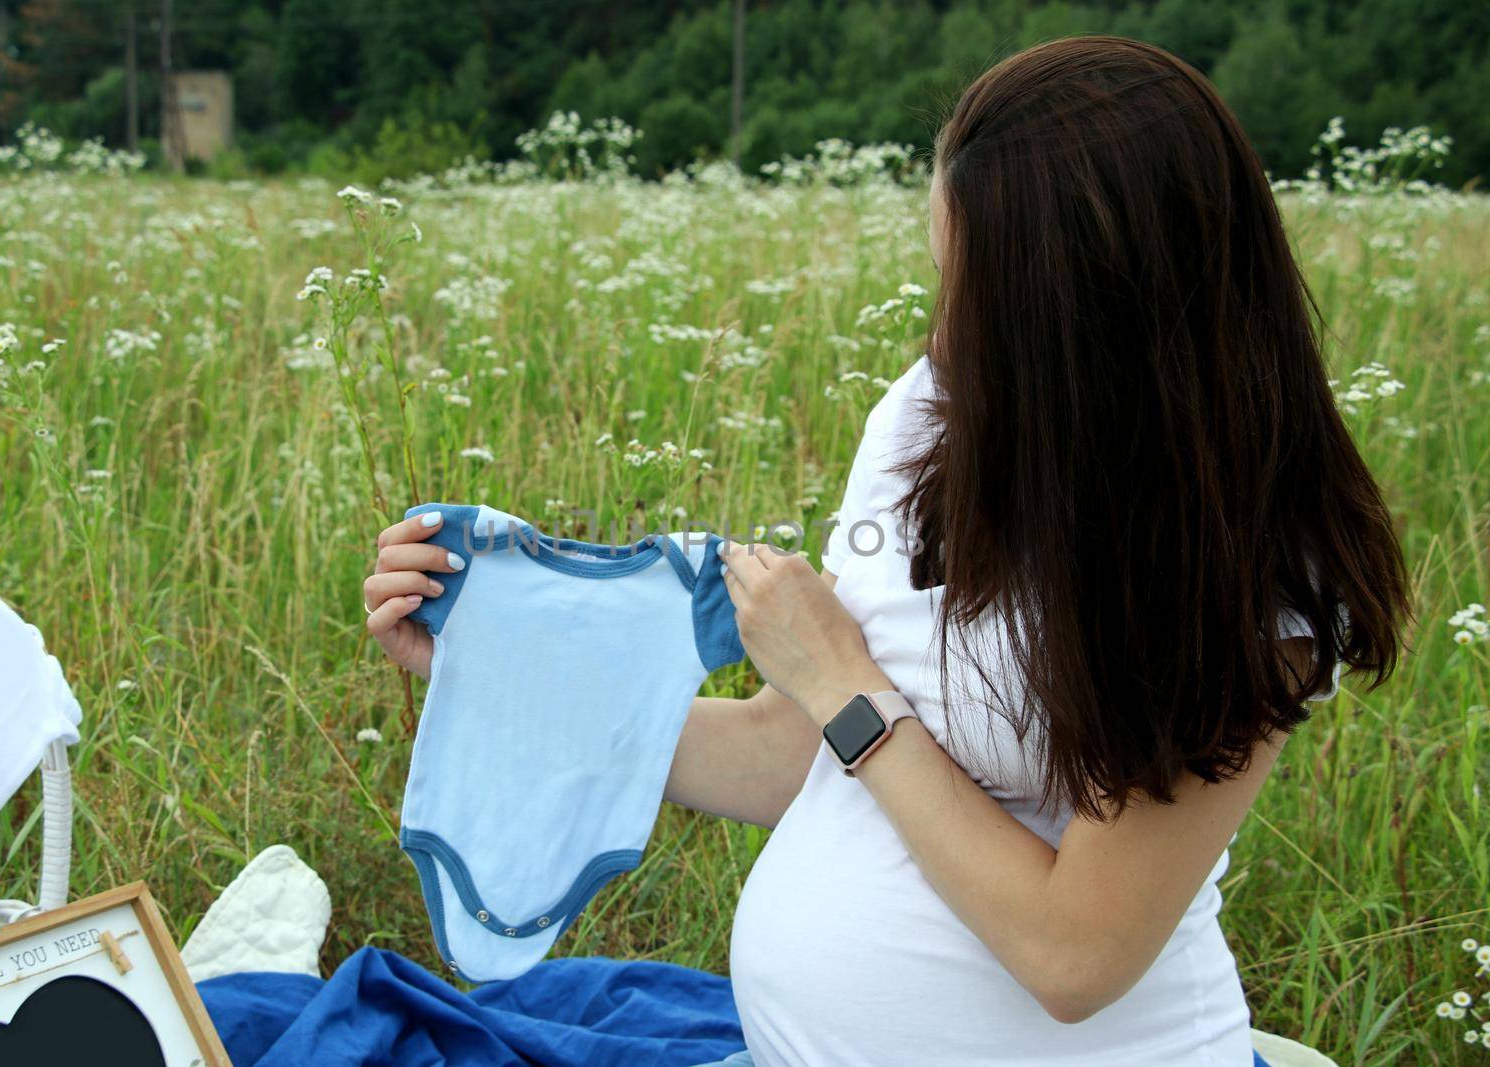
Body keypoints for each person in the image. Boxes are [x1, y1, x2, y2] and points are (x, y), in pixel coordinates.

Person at [363, 36, 1408, 1066]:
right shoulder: (929, 422)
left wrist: (844, 681)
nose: (942, 337)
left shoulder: (1256, 570)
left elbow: (1072, 955)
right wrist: (508, 674)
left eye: (981, 301)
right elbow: (796, 758)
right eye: (941, 279)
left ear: (1096, 322)